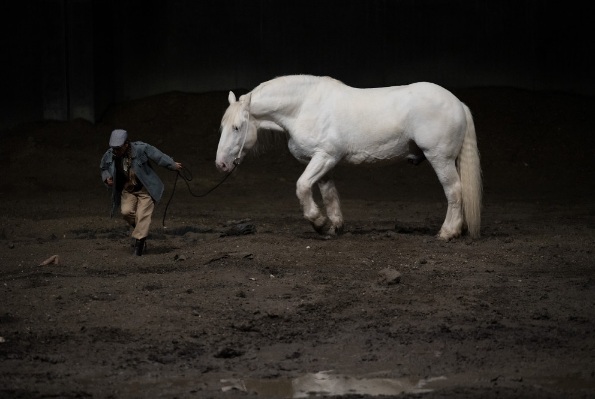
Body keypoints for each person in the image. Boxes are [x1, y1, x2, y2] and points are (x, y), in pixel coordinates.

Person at [100, 129, 182, 256]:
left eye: (119, 148)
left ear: (126, 144)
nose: (116, 151)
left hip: (145, 189)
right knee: (126, 212)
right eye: (114, 148)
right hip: (128, 190)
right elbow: (104, 167)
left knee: (143, 214)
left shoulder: (140, 148)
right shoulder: (110, 154)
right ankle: (141, 231)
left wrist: (172, 164)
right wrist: (107, 177)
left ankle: (139, 245)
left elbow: (158, 156)